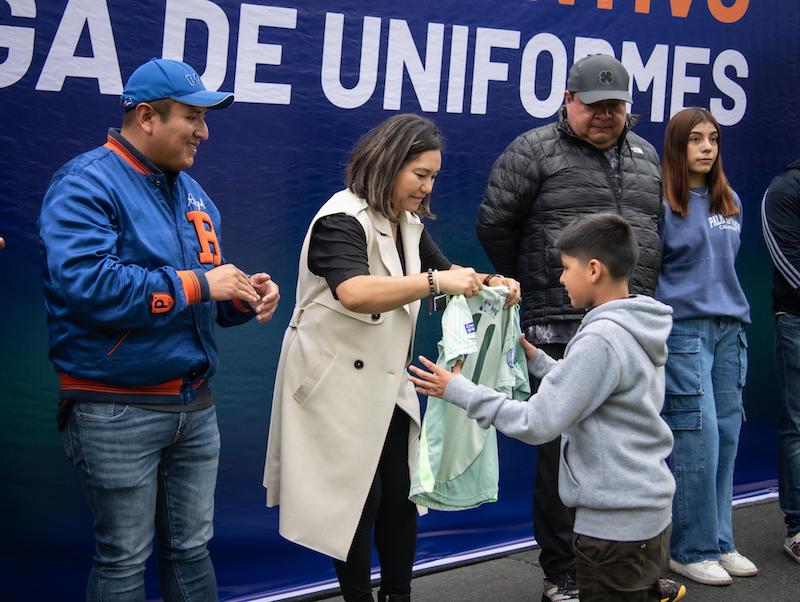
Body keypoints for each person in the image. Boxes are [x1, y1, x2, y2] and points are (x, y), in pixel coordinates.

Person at [39, 58, 280, 601]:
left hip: (194, 405)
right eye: (192, 116)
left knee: (192, 550)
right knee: (123, 559)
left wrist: (243, 294)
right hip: (114, 407)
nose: (204, 131)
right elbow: (87, 287)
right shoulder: (86, 182)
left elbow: (204, 297)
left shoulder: (194, 194)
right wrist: (202, 285)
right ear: (147, 116)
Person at [263, 113, 520, 602]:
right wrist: (435, 282)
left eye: (434, 178)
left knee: (402, 495)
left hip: (384, 382)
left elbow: (449, 272)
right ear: (387, 164)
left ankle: (398, 596)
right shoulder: (340, 218)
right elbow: (355, 291)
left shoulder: (407, 222)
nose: (427, 188)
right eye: (420, 175)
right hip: (333, 383)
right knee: (357, 500)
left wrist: (491, 284)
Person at [476, 54, 684, 602]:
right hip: (558, 318)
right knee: (559, 452)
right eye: (593, 106)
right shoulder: (533, 149)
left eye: (615, 107)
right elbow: (495, 224)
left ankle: (628, 558)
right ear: (569, 100)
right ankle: (564, 570)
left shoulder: (643, 155)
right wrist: (544, 283)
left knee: (622, 440)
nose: (604, 116)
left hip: (626, 321)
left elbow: (651, 229)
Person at [409, 213, 676, 601]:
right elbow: (598, 392)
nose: (561, 279)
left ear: (595, 270)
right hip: (645, 516)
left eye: (566, 269)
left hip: (613, 530)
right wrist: (537, 360)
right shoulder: (634, 324)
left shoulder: (600, 338)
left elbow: (538, 422)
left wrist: (460, 390)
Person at [655, 107, 756, 585]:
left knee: (727, 438)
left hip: (730, 330)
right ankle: (690, 549)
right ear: (678, 146)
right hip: (686, 334)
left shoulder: (728, 199)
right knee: (699, 442)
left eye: (713, 138)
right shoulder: (662, 203)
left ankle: (721, 542)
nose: (707, 147)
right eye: (696, 139)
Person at [760, 160, 800, 563]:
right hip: (796, 320)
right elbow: (788, 265)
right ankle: (799, 528)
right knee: (799, 424)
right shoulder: (786, 188)